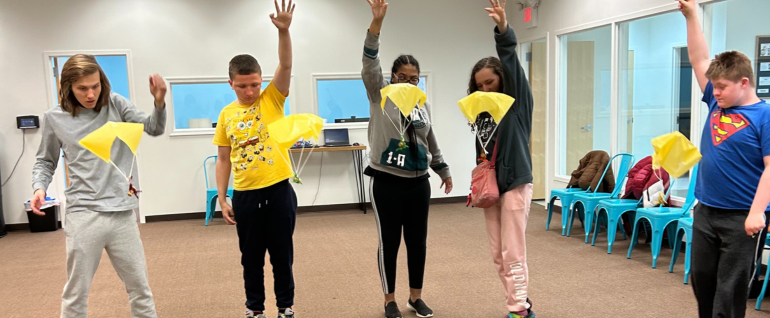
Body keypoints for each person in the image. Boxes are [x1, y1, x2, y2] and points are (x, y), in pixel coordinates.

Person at [30, 54, 167, 318]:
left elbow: (154, 128)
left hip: (122, 214)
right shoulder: (54, 118)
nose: (91, 93)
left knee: (140, 288)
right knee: (76, 293)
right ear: (67, 86)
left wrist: (159, 101)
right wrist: (39, 188)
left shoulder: (116, 104)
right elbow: (44, 161)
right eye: (82, 88)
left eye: (96, 86)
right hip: (83, 214)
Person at [361, 0, 453, 317]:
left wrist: (442, 169)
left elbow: (430, 138)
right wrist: (377, 24)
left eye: (414, 78)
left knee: (418, 243)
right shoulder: (379, 93)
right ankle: (389, 300)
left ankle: (415, 297)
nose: (408, 82)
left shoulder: (420, 104)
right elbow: (368, 62)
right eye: (402, 76)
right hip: (385, 182)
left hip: (418, 184)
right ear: (392, 76)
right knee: (389, 243)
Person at [679, 0, 770, 317]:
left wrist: (757, 211)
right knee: (702, 281)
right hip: (706, 210)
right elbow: (699, 58)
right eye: (713, 86)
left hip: (742, 219)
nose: (714, 92)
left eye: (721, 87)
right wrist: (692, 15)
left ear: (744, 83)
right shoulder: (718, 105)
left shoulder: (764, 115)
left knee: (729, 295)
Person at [212, 1, 297, 317]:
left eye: (255, 84)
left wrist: (284, 32)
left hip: (278, 190)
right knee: (250, 257)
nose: (250, 92)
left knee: (281, 255)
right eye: (243, 85)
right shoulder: (226, 114)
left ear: (261, 81)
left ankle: (285, 307)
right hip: (245, 195)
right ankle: (255, 309)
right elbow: (223, 159)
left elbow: (285, 66)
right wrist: (223, 198)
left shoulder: (272, 99)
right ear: (231, 83)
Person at [466, 1, 535, 317]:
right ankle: (519, 303)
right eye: (479, 85)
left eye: (490, 83)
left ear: (503, 81)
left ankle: (518, 309)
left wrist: (503, 28)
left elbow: (509, 59)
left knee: (513, 251)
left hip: (515, 183)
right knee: (498, 254)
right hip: (491, 187)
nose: (484, 89)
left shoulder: (516, 103)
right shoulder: (480, 111)